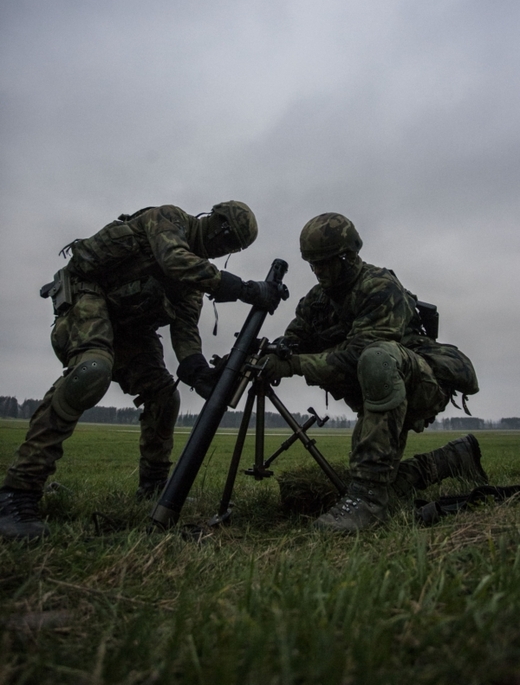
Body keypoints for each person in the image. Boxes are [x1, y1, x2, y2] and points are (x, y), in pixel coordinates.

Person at [0, 201, 284, 541]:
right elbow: (174, 260)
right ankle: (17, 494)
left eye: (232, 246)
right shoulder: (169, 219)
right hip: (88, 294)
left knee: (166, 396)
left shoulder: (193, 283)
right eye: (226, 236)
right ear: (213, 219)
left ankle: (153, 486)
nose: (223, 247)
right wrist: (246, 290)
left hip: (130, 331)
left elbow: (186, 334)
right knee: (91, 371)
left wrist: (202, 375)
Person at [262, 212, 486, 534]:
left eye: (325, 263)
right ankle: (455, 457)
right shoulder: (317, 300)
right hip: (378, 395)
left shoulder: (379, 287)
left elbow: (356, 357)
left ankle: (367, 502)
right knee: (385, 480)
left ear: (347, 256)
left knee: (375, 358)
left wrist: (293, 365)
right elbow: (297, 339)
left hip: (420, 383)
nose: (319, 272)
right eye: (313, 265)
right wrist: (274, 352)